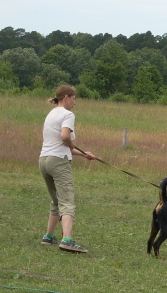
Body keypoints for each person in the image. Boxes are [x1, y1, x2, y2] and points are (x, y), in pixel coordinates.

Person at [39, 85, 96, 253]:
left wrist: (84, 154)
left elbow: (61, 144)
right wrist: (71, 143)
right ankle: (67, 240)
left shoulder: (51, 114)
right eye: (73, 98)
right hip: (58, 162)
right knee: (67, 200)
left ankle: (49, 237)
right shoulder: (68, 114)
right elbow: (65, 137)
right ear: (65, 97)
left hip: (44, 160)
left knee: (56, 200)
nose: (74, 102)